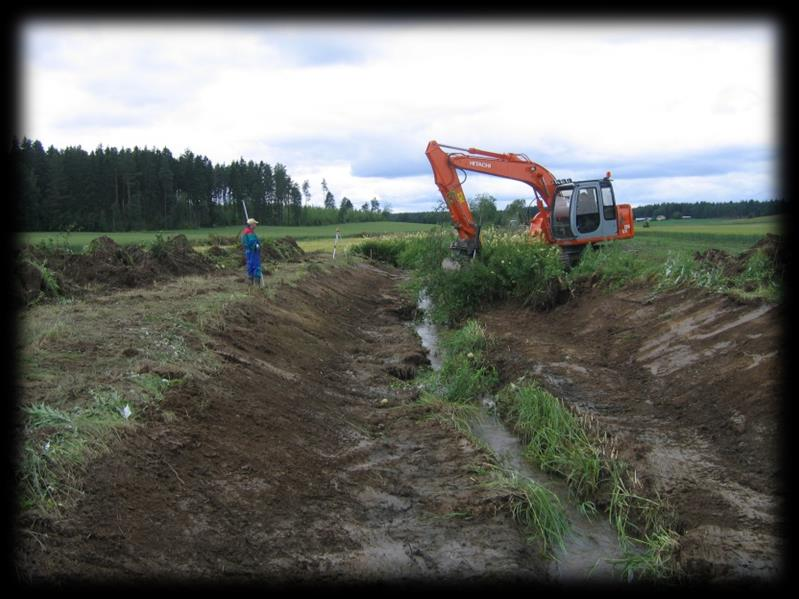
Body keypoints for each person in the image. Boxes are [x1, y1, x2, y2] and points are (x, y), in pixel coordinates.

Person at [240, 217, 263, 286]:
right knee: (256, 266)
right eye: (255, 224)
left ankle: (251, 283)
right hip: (253, 252)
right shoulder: (249, 233)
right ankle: (257, 285)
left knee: (250, 266)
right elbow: (252, 242)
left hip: (248, 252)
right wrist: (257, 245)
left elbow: (244, 242)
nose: (256, 225)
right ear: (252, 225)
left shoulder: (246, 232)